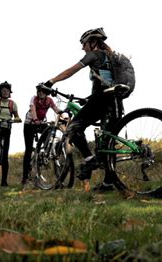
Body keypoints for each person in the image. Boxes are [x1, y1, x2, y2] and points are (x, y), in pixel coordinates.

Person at [41, 27, 122, 192]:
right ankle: (108, 183)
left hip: (101, 100)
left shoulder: (94, 55)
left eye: (84, 43)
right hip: (115, 100)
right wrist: (88, 98)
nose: (82, 47)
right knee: (108, 142)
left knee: (73, 127)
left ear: (92, 42)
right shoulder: (111, 57)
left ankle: (90, 158)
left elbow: (72, 70)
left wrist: (51, 81)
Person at [21, 83, 61, 185]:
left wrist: (62, 114)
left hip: (41, 123)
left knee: (48, 139)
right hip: (30, 124)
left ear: (46, 92)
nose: (40, 93)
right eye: (39, 91)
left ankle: (43, 153)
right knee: (28, 149)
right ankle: (25, 177)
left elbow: (56, 110)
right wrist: (35, 119)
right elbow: (33, 109)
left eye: (43, 91)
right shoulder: (34, 98)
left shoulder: (49, 100)